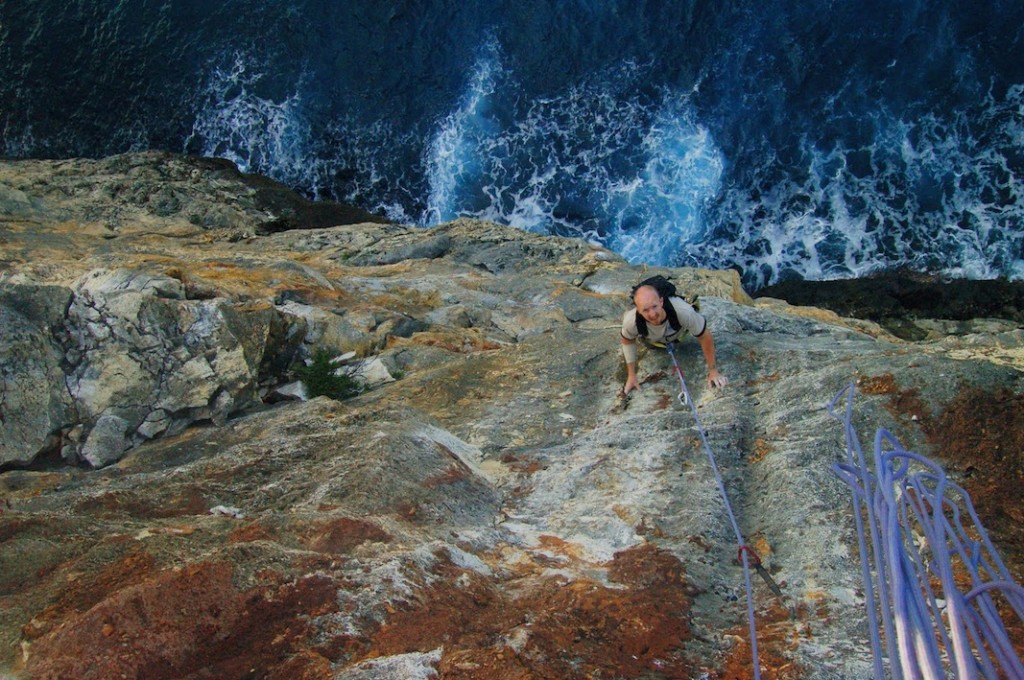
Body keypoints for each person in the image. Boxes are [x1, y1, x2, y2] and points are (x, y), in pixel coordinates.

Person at [620, 282, 728, 395]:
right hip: (653, 341)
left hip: (680, 335)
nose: (652, 314)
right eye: (645, 310)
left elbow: (704, 336)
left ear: (661, 301)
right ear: (637, 309)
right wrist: (631, 376)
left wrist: (713, 371)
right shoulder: (631, 322)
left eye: (654, 306)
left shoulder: (683, 312)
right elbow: (627, 340)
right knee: (633, 330)